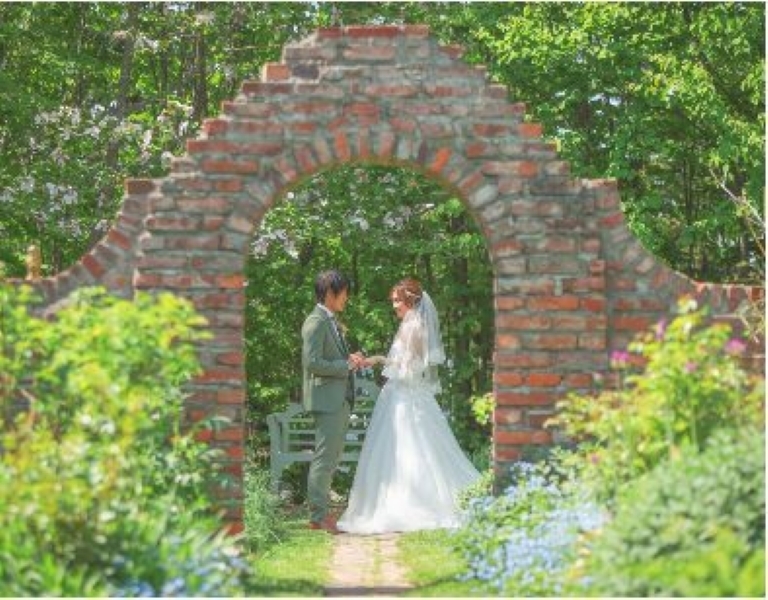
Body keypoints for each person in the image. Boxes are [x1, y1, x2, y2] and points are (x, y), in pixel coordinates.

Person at [337, 277, 481, 534]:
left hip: (405, 398)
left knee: (407, 449)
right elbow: (403, 363)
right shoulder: (412, 323)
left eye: (397, 301)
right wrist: (379, 359)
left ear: (410, 301)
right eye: (393, 301)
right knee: (408, 450)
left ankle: (412, 506)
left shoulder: (413, 326)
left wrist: (381, 362)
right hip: (405, 396)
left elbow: (409, 369)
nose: (394, 306)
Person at [302, 270, 365, 534]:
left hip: (337, 400)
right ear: (330, 293)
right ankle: (318, 518)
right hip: (328, 402)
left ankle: (320, 515)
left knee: (329, 459)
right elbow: (312, 363)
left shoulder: (329, 320)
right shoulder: (315, 321)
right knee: (324, 460)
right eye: (344, 292)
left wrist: (347, 359)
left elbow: (327, 357)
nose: (346, 298)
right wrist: (346, 364)